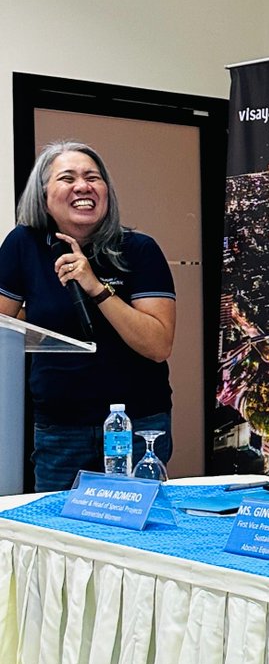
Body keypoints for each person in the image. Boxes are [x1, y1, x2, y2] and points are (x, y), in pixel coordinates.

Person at [0, 141, 176, 491]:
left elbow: (158, 345)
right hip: (59, 429)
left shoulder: (139, 250)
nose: (83, 186)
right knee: (57, 536)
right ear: (44, 194)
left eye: (93, 177)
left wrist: (94, 286)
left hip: (136, 424)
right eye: (68, 178)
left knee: (127, 535)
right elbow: (3, 331)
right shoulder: (24, 245)